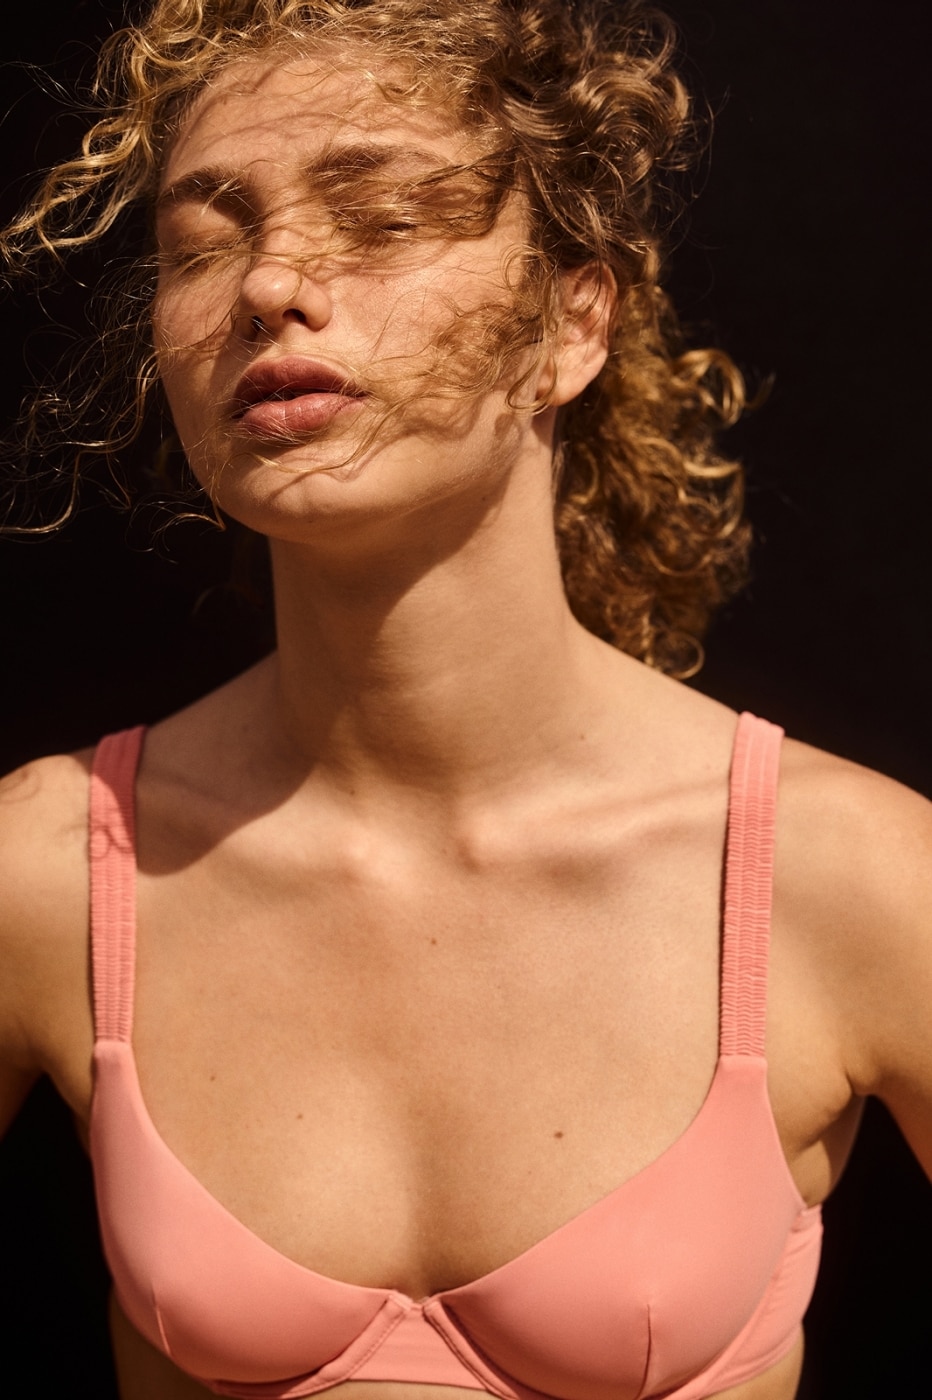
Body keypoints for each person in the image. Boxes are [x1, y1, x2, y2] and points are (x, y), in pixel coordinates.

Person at [0, 2, 929, 1399]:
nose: (270, 283)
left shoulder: (849, 878)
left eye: (380, 218)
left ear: (572, 323)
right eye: (202, 242)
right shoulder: (54, 868)